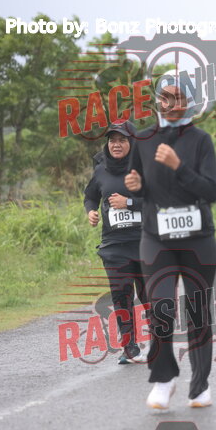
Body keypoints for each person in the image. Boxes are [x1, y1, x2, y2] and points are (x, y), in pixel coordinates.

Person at [125, 80, 216, 410]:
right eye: (165, 98)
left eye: (178, 98)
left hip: (198, 240)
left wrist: (178, 166)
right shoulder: (142, 139)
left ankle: (200, 386)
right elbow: (141, 185)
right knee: (161, 308)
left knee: (197, 312)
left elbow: (211, 191)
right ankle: (164, 379)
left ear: (189, 102)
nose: (171, 104)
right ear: (157, 101)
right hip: (156, 238)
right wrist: (135, 186)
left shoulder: (200, 140)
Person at [84, 122, 147, 365]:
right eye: (112, 140)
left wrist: (129, 203)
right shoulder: (101, 170)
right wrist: (91, 212)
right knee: (121, 296)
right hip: (114, 245)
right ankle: (130, 348)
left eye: (122, 140)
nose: (116, 144)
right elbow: (90, 196)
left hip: (145, 242)